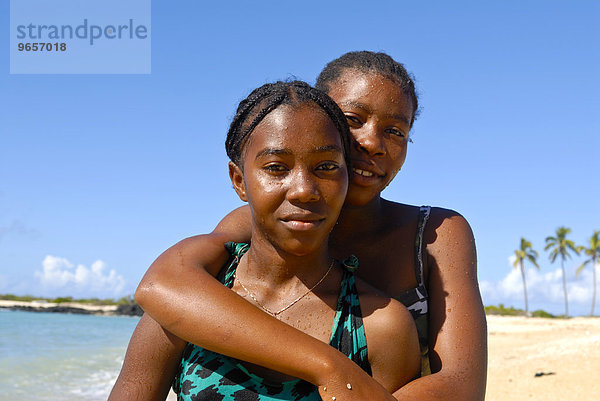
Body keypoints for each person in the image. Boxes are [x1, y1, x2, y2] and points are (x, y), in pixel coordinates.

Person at [135, 51, 487, 400]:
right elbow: (165, 283)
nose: (372, 143)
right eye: (353, 119)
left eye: (395, 131)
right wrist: (328, 366)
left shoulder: (434, 233)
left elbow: (461, 385)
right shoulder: (260, 223)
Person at [109, 81, 420, 401]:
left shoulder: (380, 327)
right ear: (239, 181)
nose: (303, 190)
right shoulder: (190, 302)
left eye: (326, 167)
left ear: (346, 175)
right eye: (276, 167)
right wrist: (329, 367)